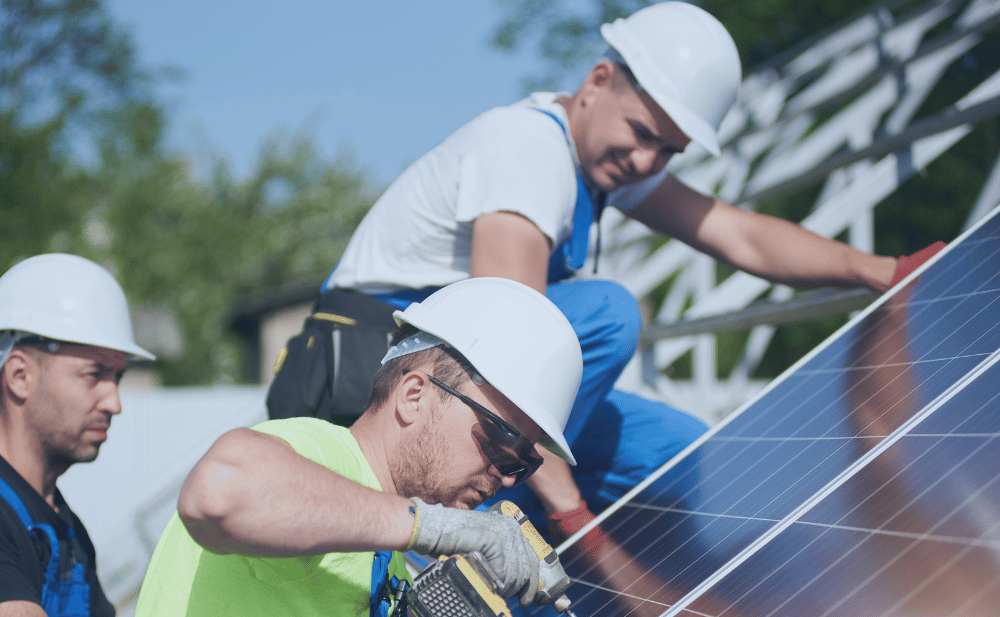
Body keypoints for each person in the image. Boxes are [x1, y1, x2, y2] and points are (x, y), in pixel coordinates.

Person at [317, 1, 945, 539]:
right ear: (598, 80)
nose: (647, 159)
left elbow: (738, 235)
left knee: (679, 452)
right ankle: (481, 540)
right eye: (642, 132)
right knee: (609, 313)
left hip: (454, 376)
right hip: (382, 378)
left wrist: (883, 270)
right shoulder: (528, 150)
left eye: (669, 149)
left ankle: (578, 587)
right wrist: (568, 512)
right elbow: (505, 346)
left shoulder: (601, 164)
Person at [90, 277, 584, 617]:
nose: (509, 475)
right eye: (501, 440)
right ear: (415, 396)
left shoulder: (381, 547)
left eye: (526, 459)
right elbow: (218, 490)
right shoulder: (313, 451)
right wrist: (443, 527)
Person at [0, 254, 155, 617]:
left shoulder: (63, 526)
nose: (115, 402)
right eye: (94, 375)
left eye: (119, 376)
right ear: (20, 375)